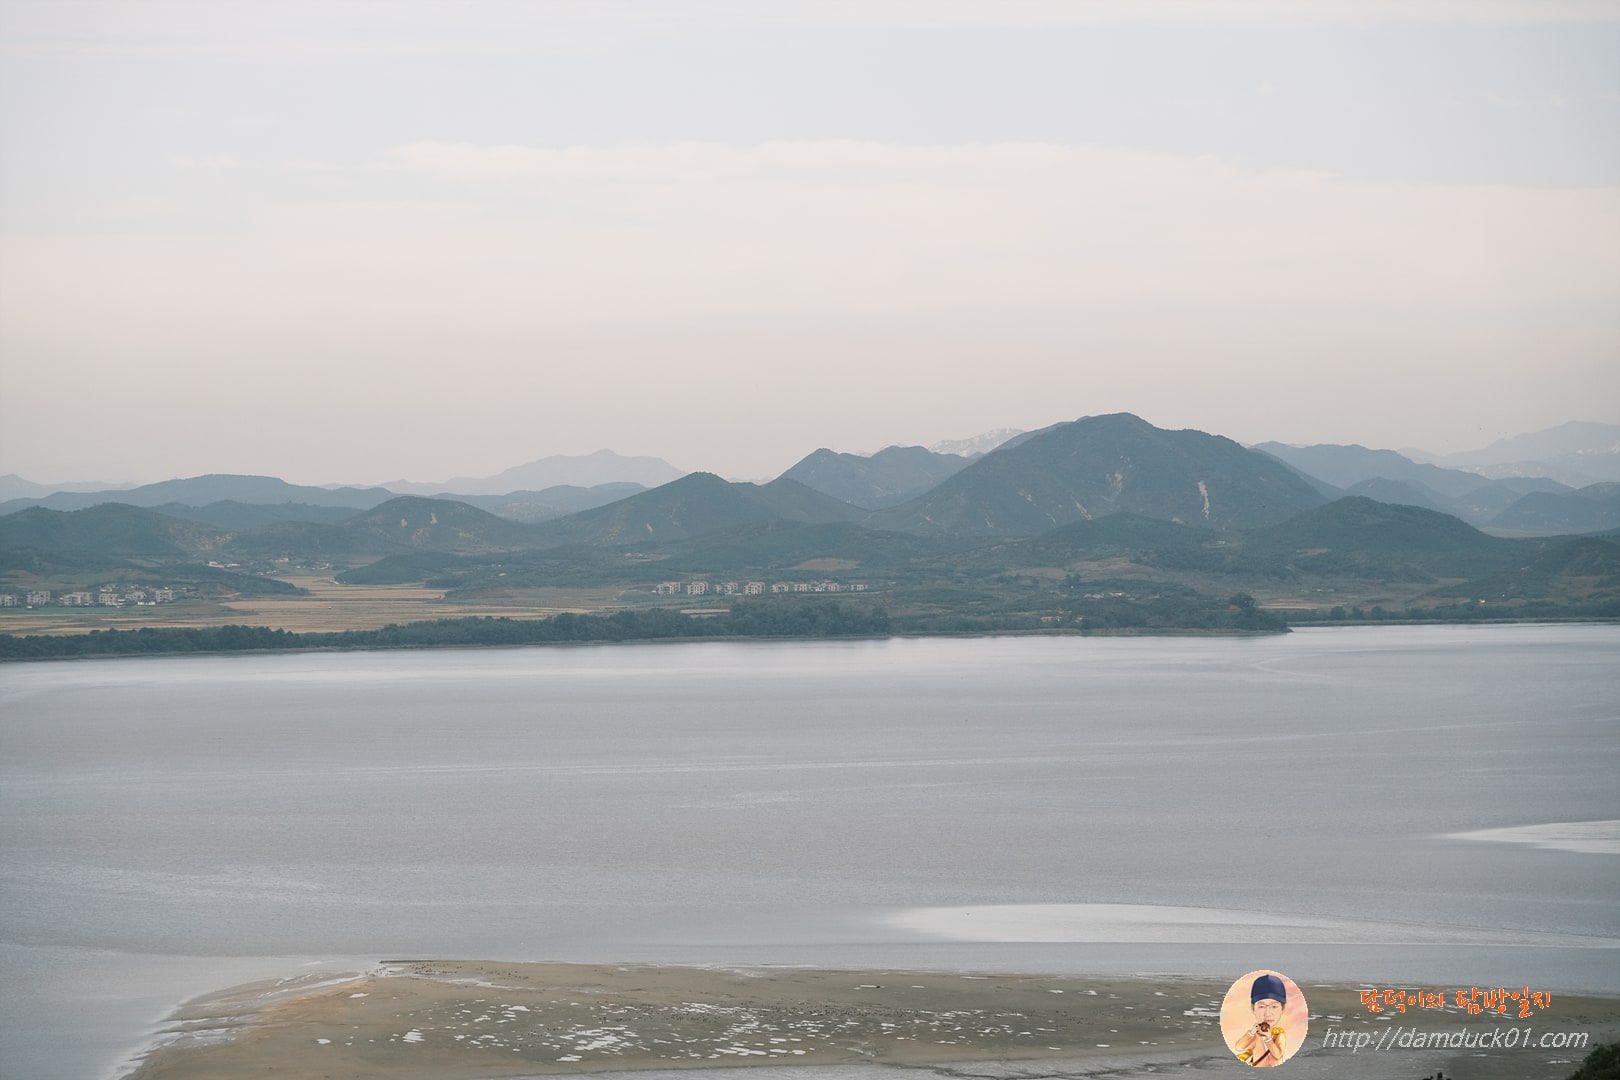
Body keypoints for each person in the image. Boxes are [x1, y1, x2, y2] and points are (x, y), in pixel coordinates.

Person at [1233, 973, 1288, 1067]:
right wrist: (1251, 1033)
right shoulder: (1256, 1034)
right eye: (1262, 1006)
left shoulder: (1279, 1035)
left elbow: (1278, 1055)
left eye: (1274, 1006)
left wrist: (1269, 1039)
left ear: (1282, 1009)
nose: (1267, 1013)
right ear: (1253, 1008)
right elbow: (1239, 1047)